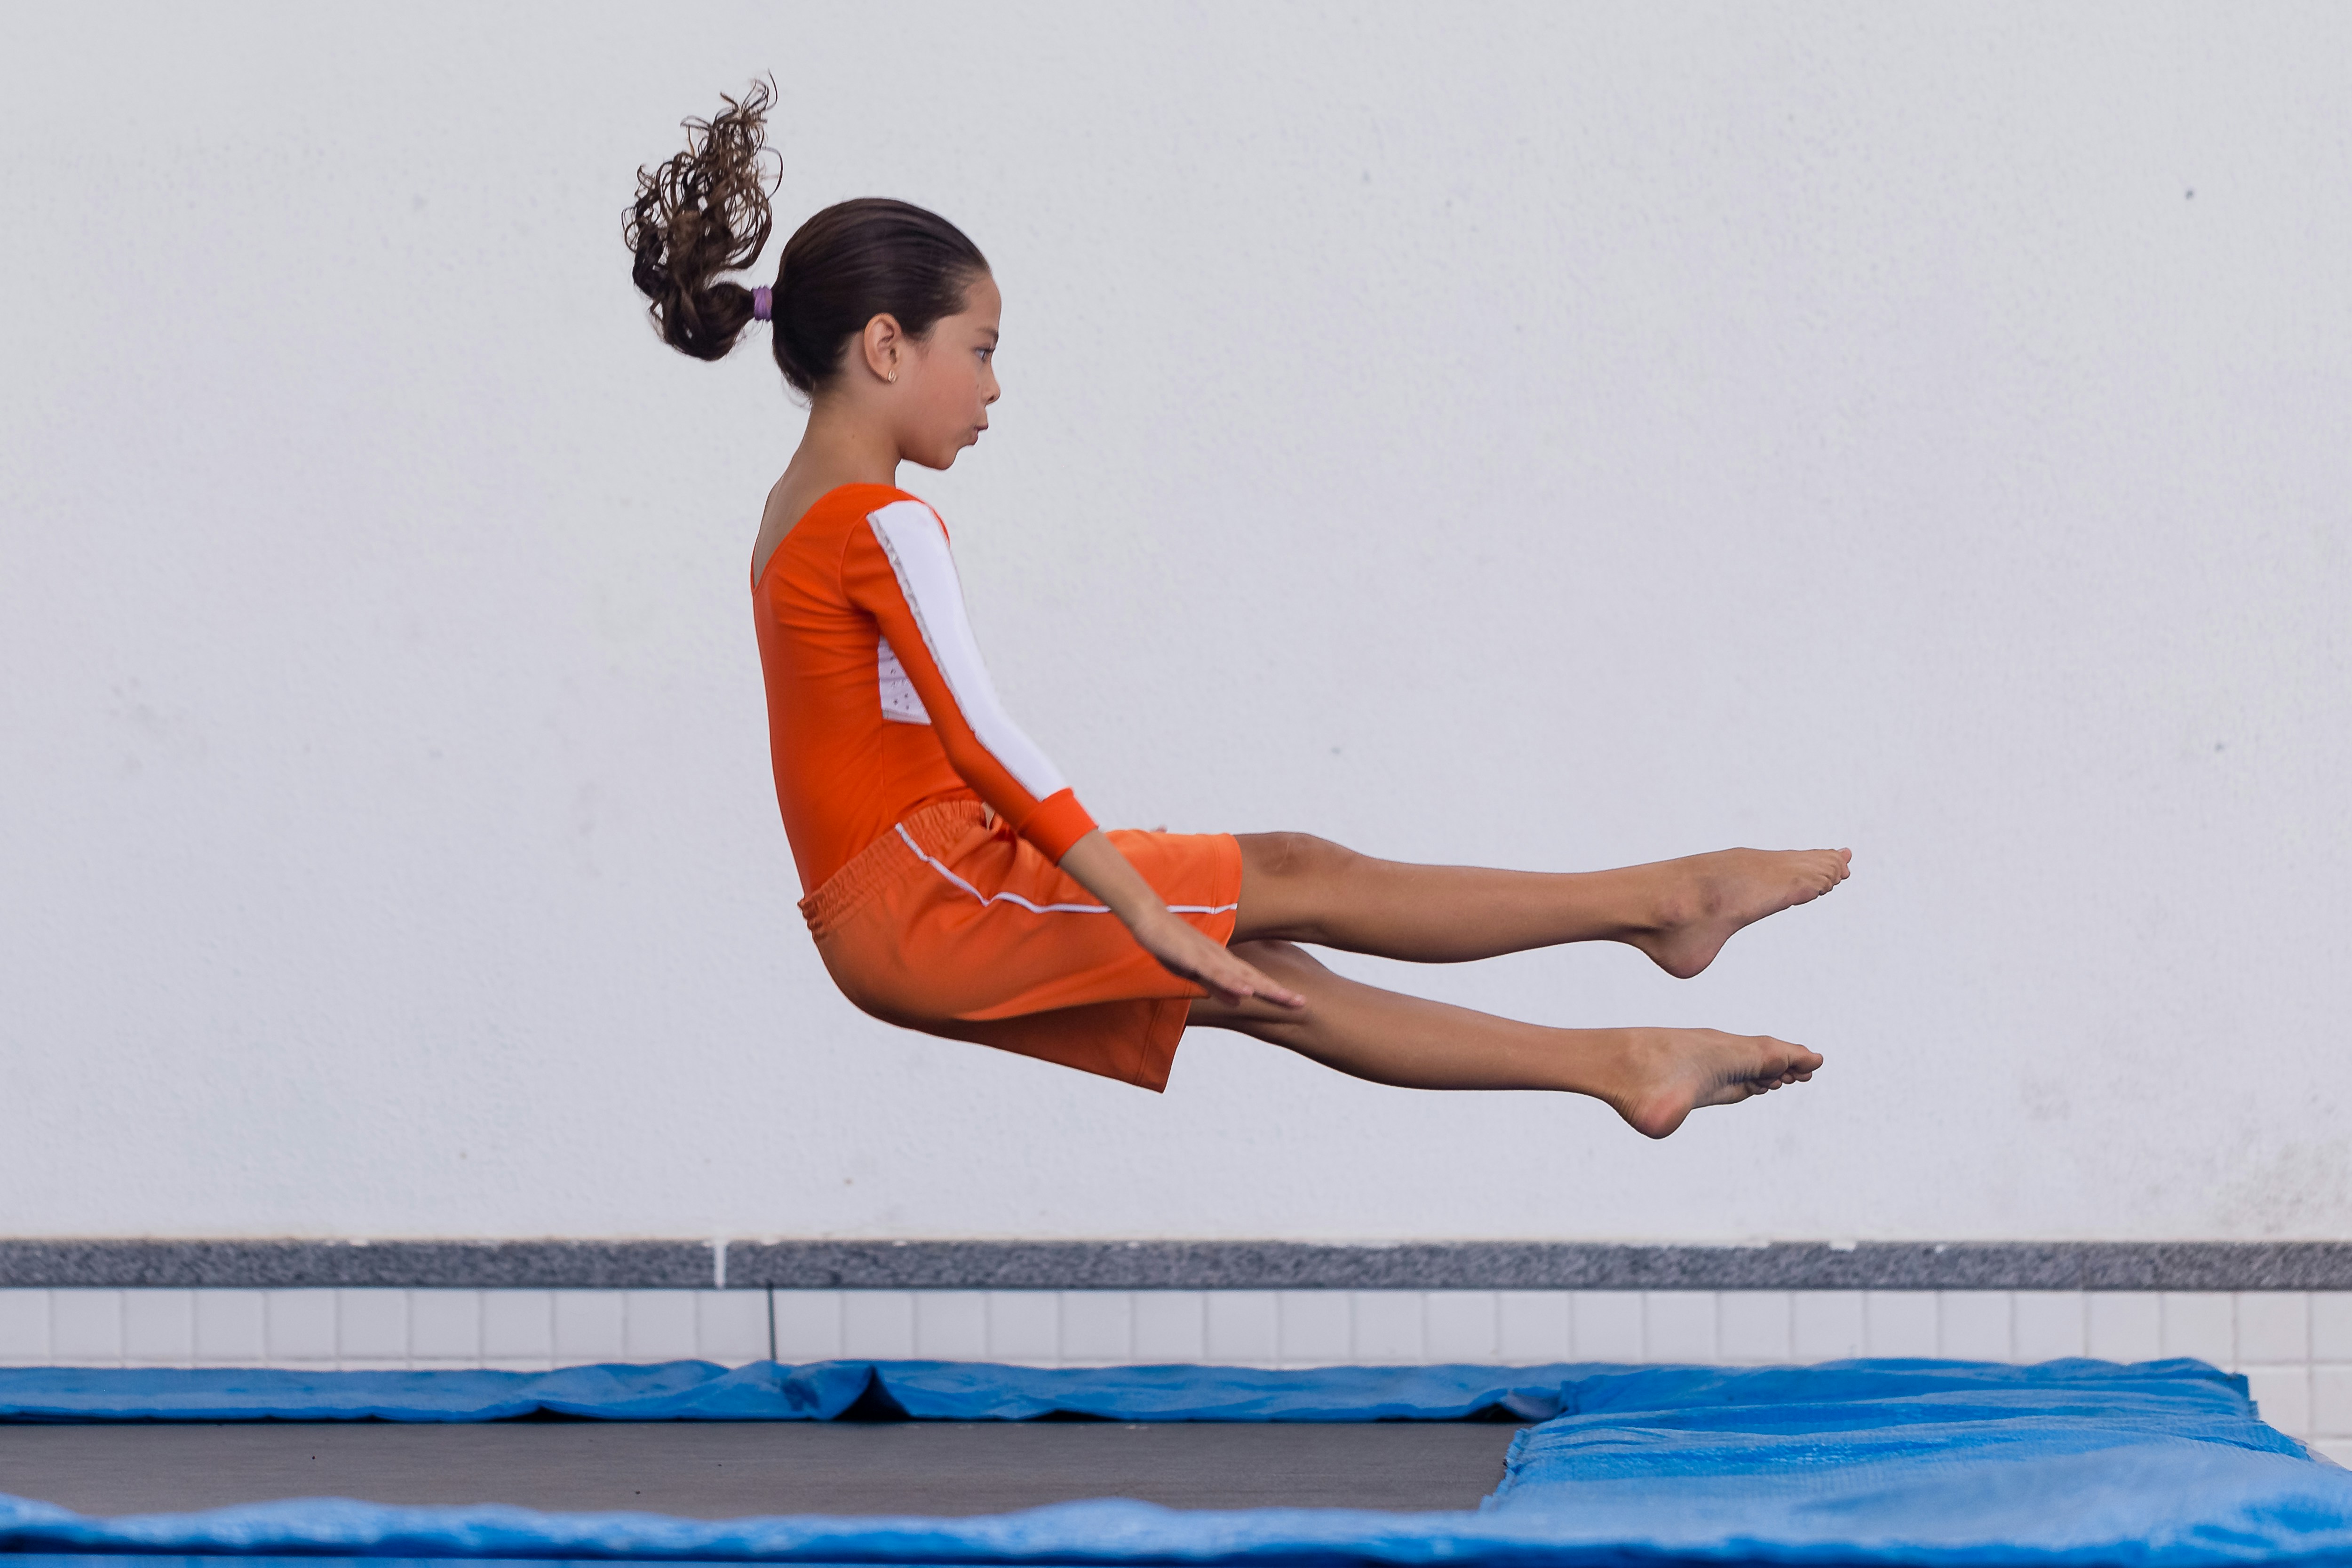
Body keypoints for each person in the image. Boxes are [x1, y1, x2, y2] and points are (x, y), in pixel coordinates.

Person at [625, 84, 1849, 1138]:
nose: (996, 386)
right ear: (887, 347)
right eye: (982, 348)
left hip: (910, 901)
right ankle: (1665, 906)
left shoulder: (793, 508)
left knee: (1275, 971)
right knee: (1299, 882)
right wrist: (1143, 907)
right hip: (932, 899)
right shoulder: (880, 524)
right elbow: (981, 738)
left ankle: (1622, 1054)